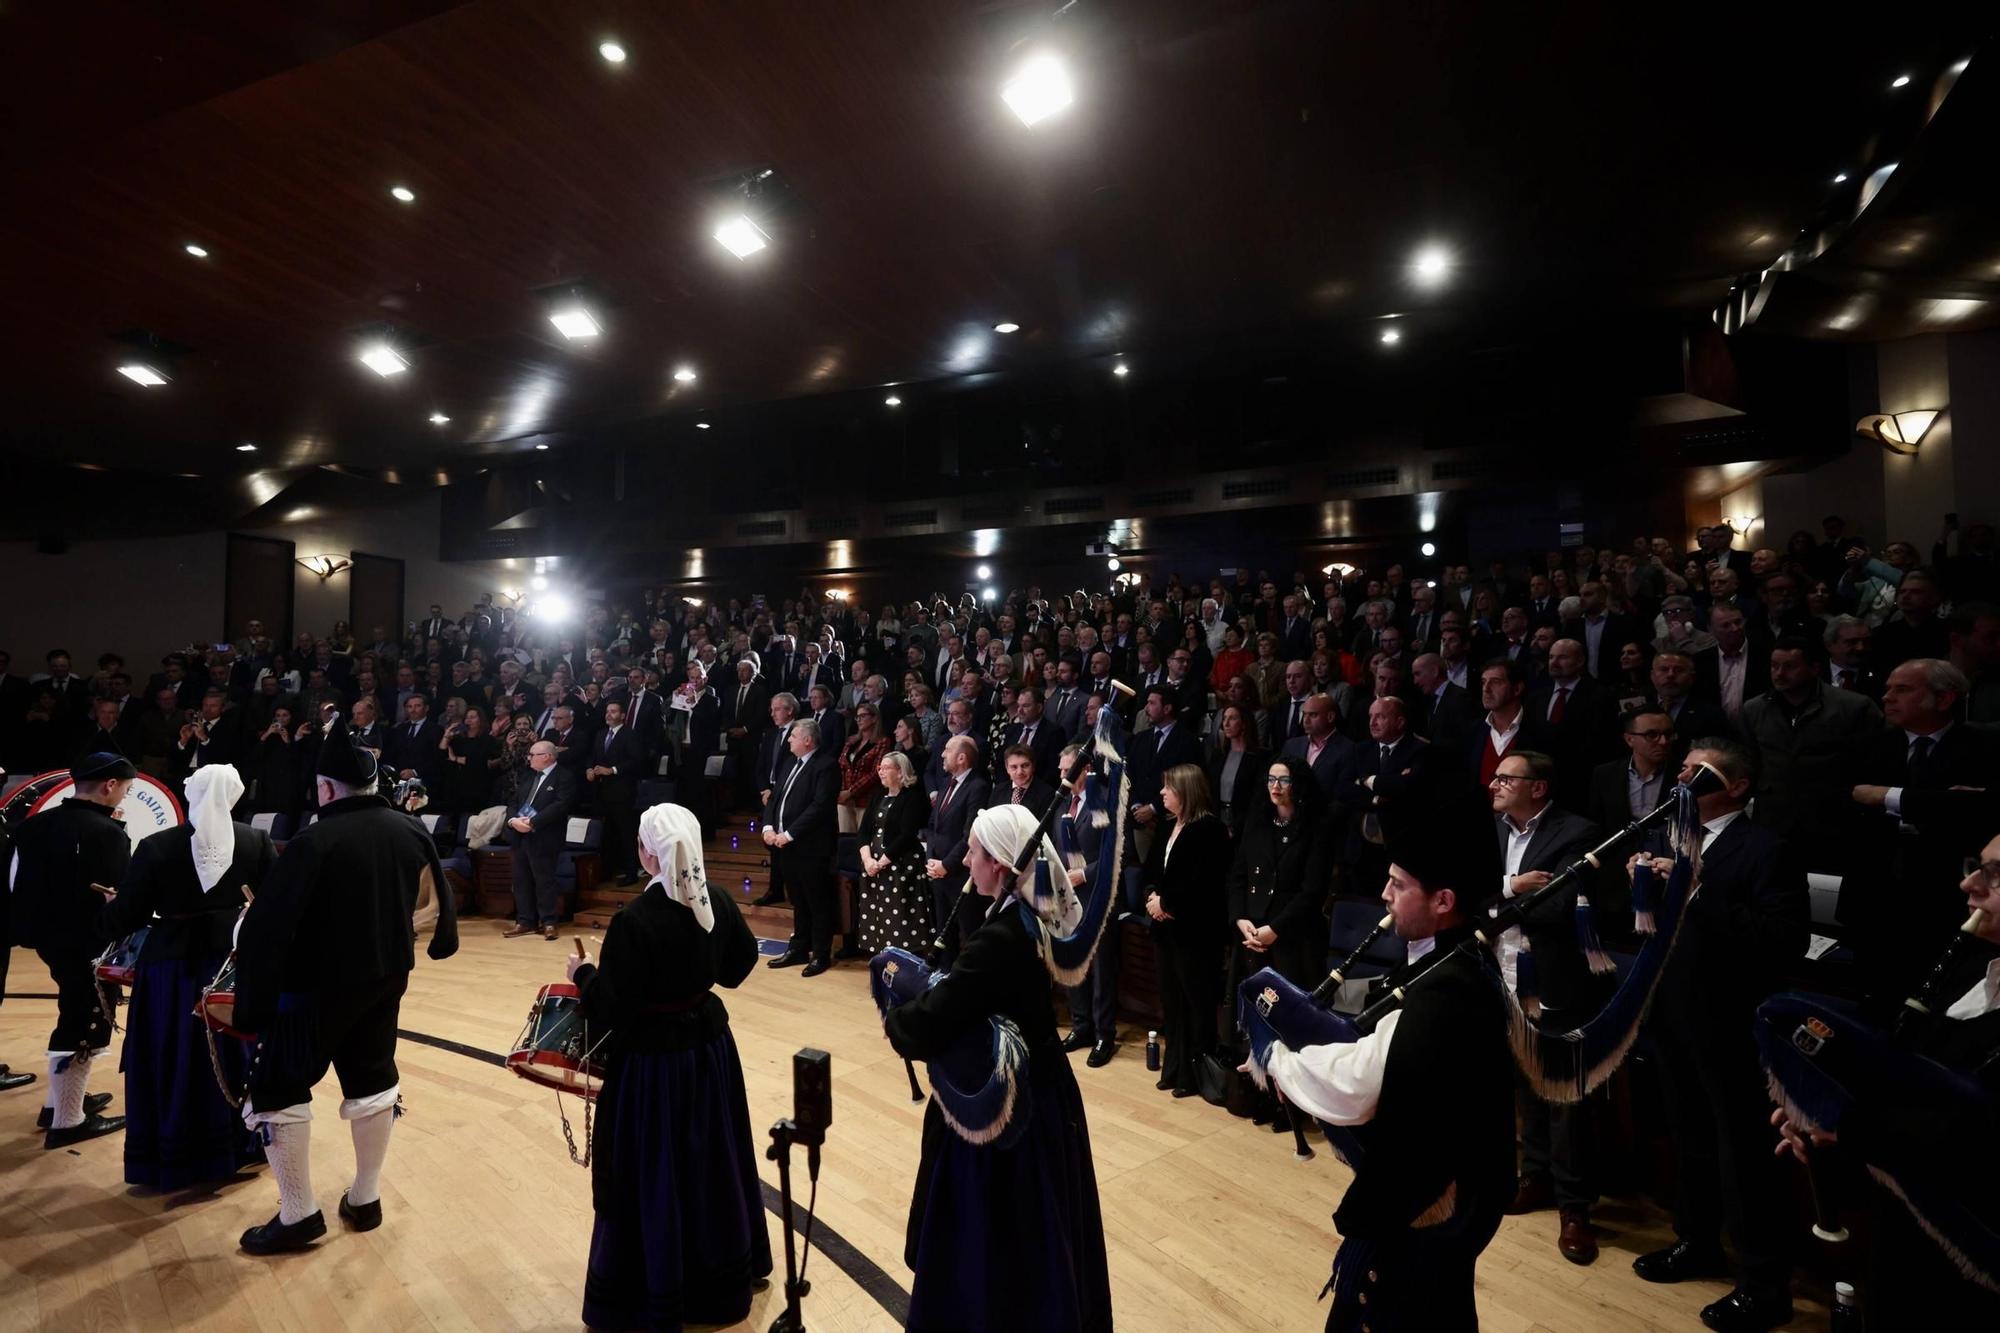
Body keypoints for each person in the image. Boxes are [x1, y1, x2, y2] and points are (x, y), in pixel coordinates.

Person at [1258, 833, 1515, 1333]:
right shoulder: (1447, 959)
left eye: (1398, 885)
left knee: (1402, 1307)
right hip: (1462, 1183)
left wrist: (1277, 1058)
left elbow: (1359, 1086)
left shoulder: (1447, 985)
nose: (1384, 894)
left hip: (1437, 1197)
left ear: (1443, 901)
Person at [232, 718, 459, 1253]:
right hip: (386, 978)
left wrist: (252, 1005)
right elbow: (439, 900)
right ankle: (365, 1196)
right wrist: (434, 941)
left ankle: (298, 1214)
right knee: (373, 1080)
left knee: (279, 1089)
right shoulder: (409, 828)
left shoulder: (315, 839)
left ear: (326, 788)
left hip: (316, 987)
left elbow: (267, 927)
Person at [884, 802, 1113, 1332]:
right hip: (1047, 1088)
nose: (966, 861)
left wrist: (897, 1015)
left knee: (1000, 1237)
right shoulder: (1027, 919)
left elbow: (934, 1019)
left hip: (1008, 1111)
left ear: (1004, 866)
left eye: (975, 851)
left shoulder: (1001, 937)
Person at [566, 803, 772, 1329]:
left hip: (654, 1070)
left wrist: (583, 974)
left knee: (655, 1174)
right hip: (709, 1054)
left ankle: (656, 1290)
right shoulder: (717, 901)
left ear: (646, 853)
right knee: (712, 1163)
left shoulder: (633, 921)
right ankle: (720, 1279)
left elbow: (611, 1008)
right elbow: (740, 966)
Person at [1628, 738, 1805, 1331]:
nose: (1680, 775)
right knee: (1689, 1138)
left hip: (1732, 1021)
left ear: (1734, 787)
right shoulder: (1667, 836)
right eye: (1680, 767)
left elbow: (1783, 940)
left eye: (1695, 771)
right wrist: (1641, 883)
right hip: (1673, 1012)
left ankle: (1763, 1282)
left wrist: (1694, 889)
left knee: (1744, 1153)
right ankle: (1696, 1241)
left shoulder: (1766, 848)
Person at [98, 764, 273, 1188]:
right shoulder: (257, 841)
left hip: (170, 970)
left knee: (171, 1053)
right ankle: (235, 1147)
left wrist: (112, 904)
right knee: (231, 1055)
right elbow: (270, 907)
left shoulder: (157, 846)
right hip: (229, 965)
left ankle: (171, 1155)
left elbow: (129, 916)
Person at [1485, 750, 1606, 1265]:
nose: (1494, 783)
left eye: (1506, 777)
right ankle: (1533, 1176)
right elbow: (1465, 894)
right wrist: (1512, 887)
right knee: (1523, 1083)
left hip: (1556, 977)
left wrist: (1494, 905)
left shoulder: (1577, 831)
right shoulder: (1488, 828)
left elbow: (1558, 906)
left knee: (1562, 1094)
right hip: (1500, 972)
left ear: (1537, 787)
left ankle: (1575, 1206)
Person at [10, 752, 136, 1146]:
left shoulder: (36, 825)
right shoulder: (107, 833)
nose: (125, 797)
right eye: (126, 789)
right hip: (88, 943)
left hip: (46, 937)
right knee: (86, 1022)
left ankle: (60, 1102)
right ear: (110, 785)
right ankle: (67, 1121)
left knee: (75, 1010)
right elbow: (114, 898)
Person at [1141, 764, 1233, 1099]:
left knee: (1197, 1001)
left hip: (1195, 932)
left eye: (1168, 788)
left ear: (1186, 792)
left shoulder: (1209, 829)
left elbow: (1205, 885)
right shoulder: (1168, 826)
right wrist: (1152, 897)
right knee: (1171, 1001)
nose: (1162, 793)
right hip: (1165, 930)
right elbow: (1151, 869)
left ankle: (1196, 1075)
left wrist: (1166, 903)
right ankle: (1175, 1067)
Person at [762, 718, 840, 976]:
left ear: (808, 740)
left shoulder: (826, 766)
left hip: (811, 847)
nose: (789, 740)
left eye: (794, 736)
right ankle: (798, 947)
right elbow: (775, 799)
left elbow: (820, 807)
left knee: (817, 901)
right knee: (797, 900)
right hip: (786, 846)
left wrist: (790, 834)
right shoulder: (788, 764)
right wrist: (768, 828)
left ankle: (820, 954)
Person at [505, 740, 579, 940]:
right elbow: (513, 801)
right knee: (521, 880)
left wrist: (533, 822)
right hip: (520, 835)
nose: (528, 758)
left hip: (544, 836)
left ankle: (548, 922)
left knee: (544, 880)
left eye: (532, 754)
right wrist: (513, 821)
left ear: (547, 756)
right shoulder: (527, 775)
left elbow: (561, 805)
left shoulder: (564, 776)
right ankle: (525, 921)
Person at [857, 751, 930, 953]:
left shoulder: (912, 797)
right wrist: (867, 860)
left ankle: (903, 962)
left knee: (900, 917)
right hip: (873, 866)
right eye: (880, 768)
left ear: (900, 772)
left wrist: (881, 862)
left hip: (900, 866)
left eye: (886, 767)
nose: (880, 771)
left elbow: (907, 835)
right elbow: (863, 832)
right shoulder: (878, 796)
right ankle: (882, 957)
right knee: (877, 915)